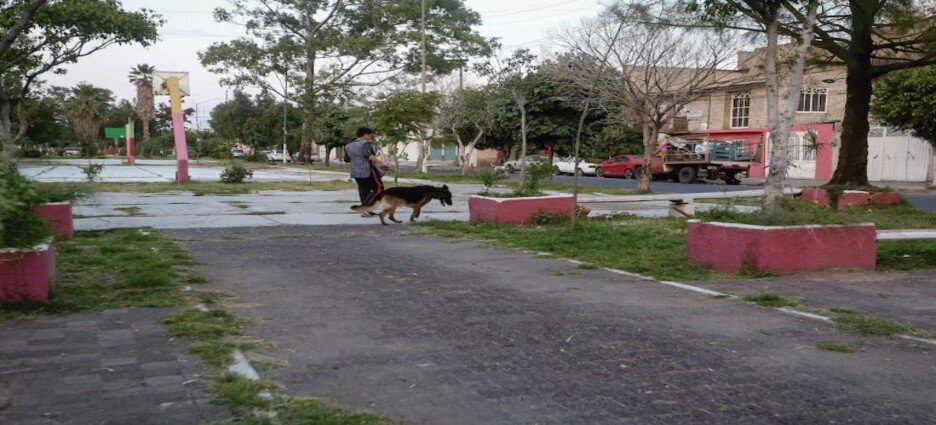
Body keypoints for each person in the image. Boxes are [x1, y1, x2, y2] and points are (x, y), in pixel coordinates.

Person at [344, 127, 388, 217]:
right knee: (379, 188)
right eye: (370, 135)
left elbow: (346, 159)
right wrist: (382, 164)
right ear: (365, 135)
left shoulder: (348, 145)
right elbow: (370, 156)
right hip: (367, 170)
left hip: (355, 171)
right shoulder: (365, 143)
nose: (370, 137)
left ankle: (367, 211)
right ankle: (365, 208)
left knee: (364, 189)